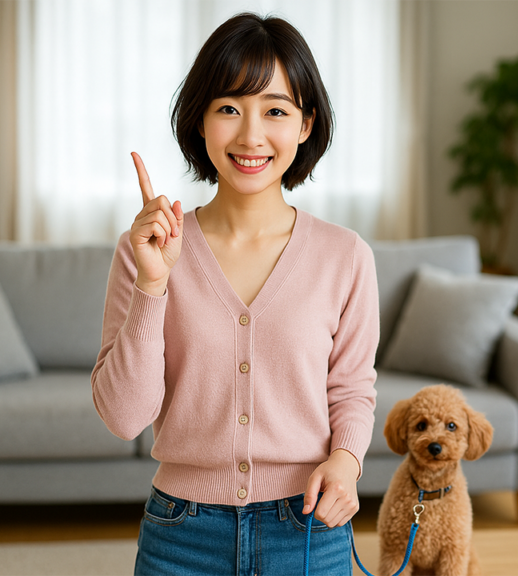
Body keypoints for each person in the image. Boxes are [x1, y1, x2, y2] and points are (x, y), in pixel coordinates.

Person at [90, 12, 379, 576]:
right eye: (229, 108)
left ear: (305, 123)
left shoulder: (345, 256)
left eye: (275, 110)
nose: (250, 135)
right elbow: (124, 418)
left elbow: (351, 390)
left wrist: (345, 462)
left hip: (308, 530)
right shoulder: (146, 249)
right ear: (200, 120)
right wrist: (153, 283)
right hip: (181, 536)